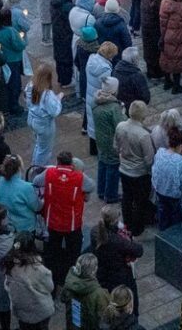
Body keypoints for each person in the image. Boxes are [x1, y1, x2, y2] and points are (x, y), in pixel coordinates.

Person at [40, 151, 94, 289]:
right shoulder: (79, 177)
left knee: (52, 254)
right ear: (71, 163)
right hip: (72, 224)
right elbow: (91, 186)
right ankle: (70, 282)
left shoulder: (49, 173)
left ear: (58, 162)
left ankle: (53, 282)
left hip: (53, 221)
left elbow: (35, 181)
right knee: (73, 254)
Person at [115, 100, 157, 236]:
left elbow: (116, 146)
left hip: (124, 169)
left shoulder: (120, 126)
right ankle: (137, 228)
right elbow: (149, 159)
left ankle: (127, 223)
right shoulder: (143, 135)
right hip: (140, 174)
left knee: (127, 197)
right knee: (140, 201)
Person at [4, 235, 56, 330]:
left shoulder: (10, 265)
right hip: (40, 312)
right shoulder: (39, 269)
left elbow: (7, 286)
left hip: (22, 312)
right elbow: (50, 287)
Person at [93, 77, 126, 202]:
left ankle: (101, 191)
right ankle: (111, 195)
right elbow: (121, 125)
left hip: (100, 138)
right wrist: (123, 112)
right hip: (111, 142)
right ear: (113, 91)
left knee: (102, 163)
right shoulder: (113, 107)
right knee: (113, 166)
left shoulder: (95, 101)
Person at [26, 63, 63, 167]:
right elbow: (54, 112)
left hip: (32, 119)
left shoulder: (29, 85)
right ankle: (38, 170)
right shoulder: (47, 94)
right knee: (44, 150)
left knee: (39, 145)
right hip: (44, 124)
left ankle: (34, 165)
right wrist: (58, 99)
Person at [62, 253, 111, 330]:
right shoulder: (99, 294)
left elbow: (62, 298)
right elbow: (104, 319)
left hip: (72, 326)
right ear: (94, 270)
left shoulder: (69, 284)